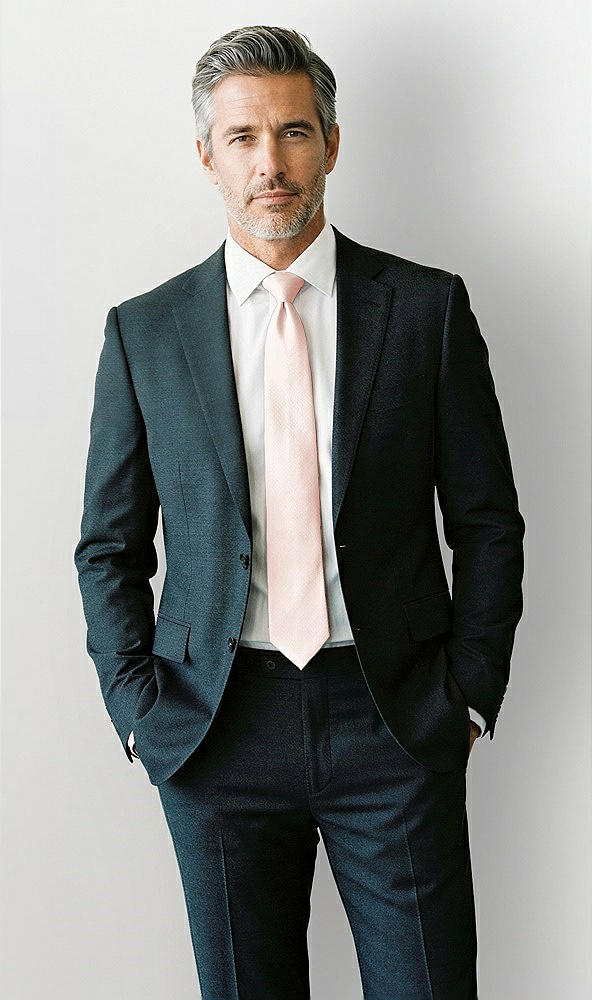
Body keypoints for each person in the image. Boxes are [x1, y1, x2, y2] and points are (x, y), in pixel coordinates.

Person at [74, 24, 525, 1000]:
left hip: (392, 715)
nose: (269, 164)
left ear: (331, 142)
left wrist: (469, 692)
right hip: (214, 723)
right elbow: (108, 547)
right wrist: (138, 712)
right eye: (242, 137)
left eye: (291, 132)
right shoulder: (145, 332)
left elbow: (488, 519)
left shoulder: (426, 310)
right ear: (207, 155)